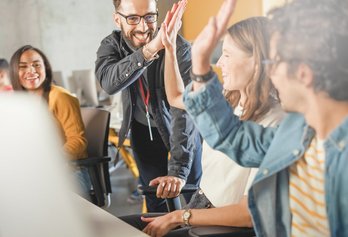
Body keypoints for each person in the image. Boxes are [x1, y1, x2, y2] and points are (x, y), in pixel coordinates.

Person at [181, 0, 348, 236]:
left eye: (275, 62)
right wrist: (199, 65)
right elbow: (233, 137)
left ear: (303, 74)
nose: (268, 72)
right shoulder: (299, 130)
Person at [121, 12, 285, 237]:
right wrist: (170, 48)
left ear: (256, 62)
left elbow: (248, 214)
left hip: (220, 227)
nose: (219, 63)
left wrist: (178, 216)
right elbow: (176, 97)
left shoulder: (276, 123)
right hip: (198, 207)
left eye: (227, 55)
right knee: (114, 227)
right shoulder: (229, 99)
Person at [95, 0, 202, 212]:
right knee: (155, 202)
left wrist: (178, 170)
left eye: (150, 17)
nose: (144, 27)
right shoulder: (112, 45)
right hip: (143, 129)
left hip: (182, 131)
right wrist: (149, 50)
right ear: (117, 19)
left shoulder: (179, 47)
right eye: (133, 18)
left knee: (196, 198)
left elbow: (184, 111)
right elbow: (109, 83)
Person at [9, 45, 91, 199]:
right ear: (15, 72)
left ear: (45, 68)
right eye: (23, 67)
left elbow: (78, 141)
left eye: (36, 65)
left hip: (70, 172)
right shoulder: (20, 102)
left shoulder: (60, 97)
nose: (31, 71)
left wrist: (49, 162)